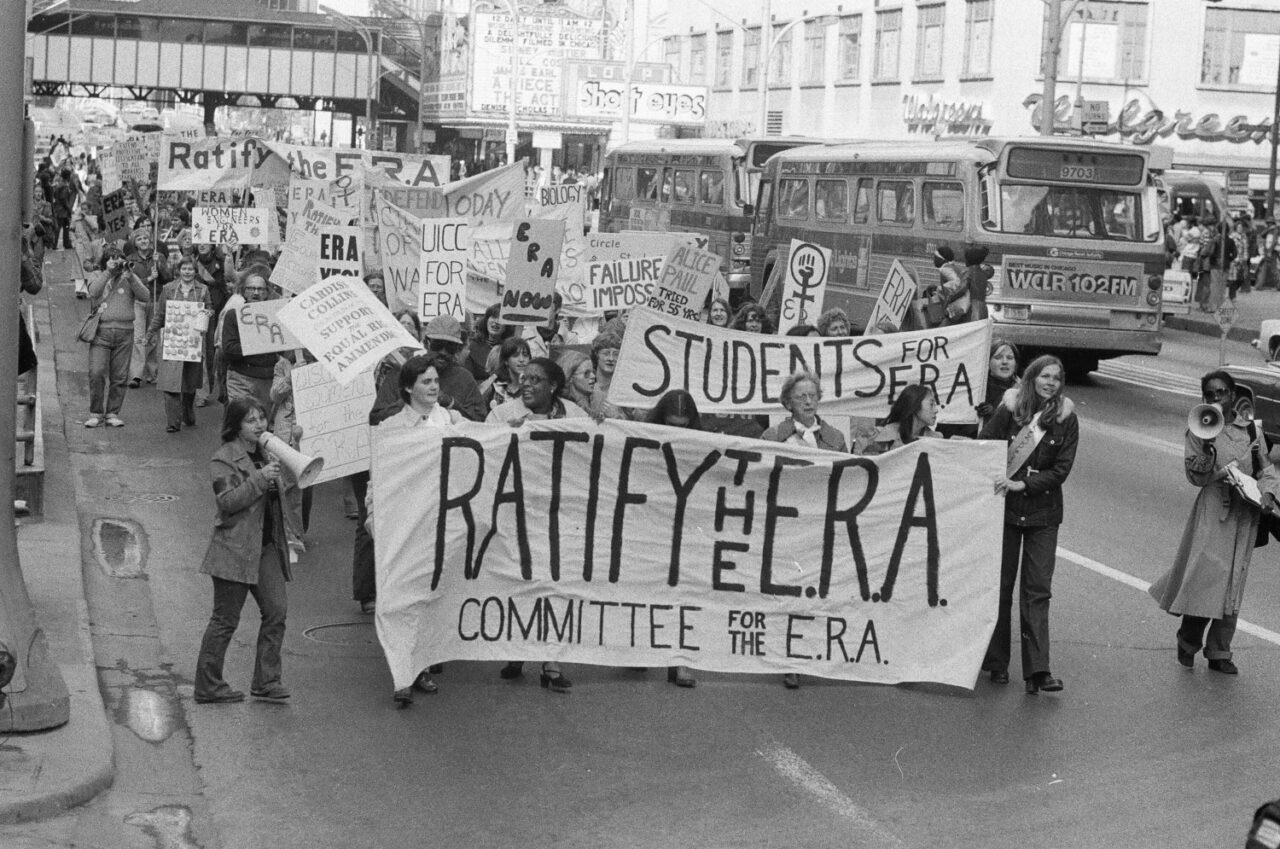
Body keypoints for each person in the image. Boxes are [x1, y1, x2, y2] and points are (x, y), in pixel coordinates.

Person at [1148, 371, 1271, 676]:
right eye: (1210, 394)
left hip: (1245, 512)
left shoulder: (1252, 431)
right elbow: (1195, 477)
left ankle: (1219, 651)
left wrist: (1268, 492)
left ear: (1233, 395)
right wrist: (1205, 446)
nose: (1216, 399)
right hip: (1215, 510)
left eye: (1222, 393)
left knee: (1233, 584)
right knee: (1207, 578)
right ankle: (1188, 640)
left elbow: (1266, 469)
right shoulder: (1200, 427)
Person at [979, 355, 1078, 694]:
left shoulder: (1066, 419)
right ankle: (996, 662)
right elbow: (985, 446)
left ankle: (1038, 670)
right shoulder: (1010, 409)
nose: (1051, 383)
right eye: (1045, 376)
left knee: (1037, 591)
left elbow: (1061, 470)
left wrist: (1026, 484)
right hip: (1005, 510)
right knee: (1001, 587)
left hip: (1043, 513)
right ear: (1033, 377)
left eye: (1057, 378)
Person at [487, 357, 584, 691]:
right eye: (524, 379)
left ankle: (550, 662)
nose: (526, 384)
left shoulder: (575, 415)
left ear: (553, 386)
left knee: (552, 584)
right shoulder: (502, 414)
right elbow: (484, 456)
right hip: (517, 513)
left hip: (559, 514)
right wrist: (504, 436)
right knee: (519, 583)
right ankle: (516, 649)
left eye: (536, 380)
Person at [376, 354, 466, 707]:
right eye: (426, 382)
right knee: (400, 597)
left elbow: (490, 436)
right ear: (408, 387)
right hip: (403, 523)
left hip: (441, 522)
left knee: (430, 597)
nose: (433, 387)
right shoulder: (391, 429)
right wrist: (373, 516)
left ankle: (420, 667)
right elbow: (379, 479)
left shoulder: (453, 421)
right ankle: (401, 674)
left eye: (435, 382)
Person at [193, 397, 291, 705]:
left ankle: (266, 680)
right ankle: (208, 685)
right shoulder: (223, 459)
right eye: (251, 420)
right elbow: (228, 501)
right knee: (225, 620)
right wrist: (261, 478)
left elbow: (283, 497)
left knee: (276, 611)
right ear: (236, 426)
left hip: (266, 547)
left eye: (262, 417)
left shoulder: (267, 453)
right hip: (235, 549)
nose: (260, 424)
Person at [761, 370, 847, 690]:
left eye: (813, 395)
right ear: (788, 403)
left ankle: (812, 648)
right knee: (788, 587)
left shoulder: (836, 438)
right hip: (786, 522)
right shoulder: (773, 437)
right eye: (801, 396)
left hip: (821, 520)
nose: (808, 401)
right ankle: (790, 657)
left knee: (817, 586)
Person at [645, 389, 704, 689]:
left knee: (683, 592)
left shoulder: (703, 446)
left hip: (686, 526)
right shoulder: (642, 441)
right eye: (671, 425)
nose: (677, 432)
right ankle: (642, 648)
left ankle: (679, 660)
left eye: (683, 427)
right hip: (651, 523)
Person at [84, 248, 149, 428]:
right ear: (105, 260)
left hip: (125, 332)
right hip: (101, 331)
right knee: (96, 372)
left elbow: (145, 296)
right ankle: (96, 413)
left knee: (120, 376)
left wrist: (131, 276)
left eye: (120, 259)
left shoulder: (128, 277)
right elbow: (94, 292)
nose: (118, 262)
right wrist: (108, 272)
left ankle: (113, 412)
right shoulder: (97, 274)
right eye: (113, 259)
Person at [147, 257, 213, 433]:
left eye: (190, 269)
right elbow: (160, 314)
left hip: (193, 341)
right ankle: (173, 422)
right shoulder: (168, 289)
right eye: (184, 268)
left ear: (195, 271)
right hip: (172, 341)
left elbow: (210, 308)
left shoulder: (203, 290)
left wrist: (207, 313)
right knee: (170, 381)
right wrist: (150, 333)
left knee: (190, 382)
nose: (187, 272)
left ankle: (187, 411)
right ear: (178, 270)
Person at [221, 268, 277, 410]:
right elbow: (229, 350)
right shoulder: (233, 316)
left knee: (261, 425)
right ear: (244, 291)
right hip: (241, 379)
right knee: (242, 423)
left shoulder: (276, 317)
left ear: (266, 293)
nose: (256, 293)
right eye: (251, 288)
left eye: (260, 289)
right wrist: (256, 344)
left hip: (268, 381)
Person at [855, 385, 940, 455]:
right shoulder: (877, 438)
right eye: (931, 404)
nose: (936, 410)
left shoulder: (937, 440)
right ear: (914, 406)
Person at [465, 302, 515, 381]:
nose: (496, 322)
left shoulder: (510, 349)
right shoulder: (472, 346)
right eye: (493, 317)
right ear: (486, 320)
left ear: (507, 326)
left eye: (500, 319)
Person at [482, 335, 532, 412]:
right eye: (515, 355)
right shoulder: (493, 388)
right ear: (506, 361)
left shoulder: (535, 387)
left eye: (525, 355)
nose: (521, 360)